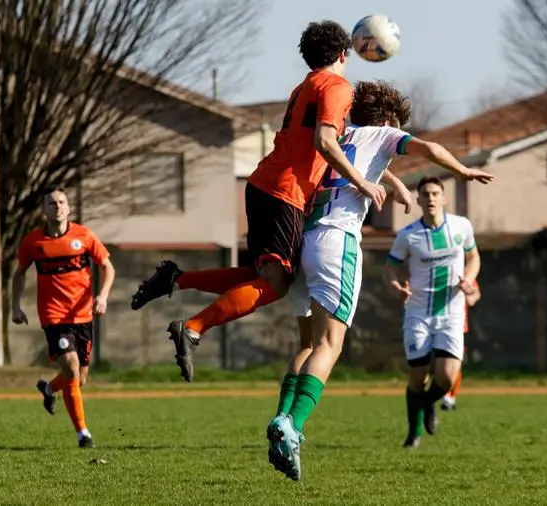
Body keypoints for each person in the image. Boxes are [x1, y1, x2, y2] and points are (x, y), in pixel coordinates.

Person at [127, 20, 389, 383]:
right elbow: (325, 142)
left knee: (259, 277)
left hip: (266, 184)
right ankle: (193, 327)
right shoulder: (337, 86)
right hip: (284, 193)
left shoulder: (305, 86)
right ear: (344, 53)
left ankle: (177, 278)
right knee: (276, 284)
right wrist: (363, 184)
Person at [267, 81, 495, 480]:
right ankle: (293, 426)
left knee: (306, 343)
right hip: (338, 240)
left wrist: (394, 182)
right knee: (330, 345)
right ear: (389, 120)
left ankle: (283, 417)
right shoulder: (387, 135)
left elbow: (364, 161)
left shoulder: (339, 136)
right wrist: (461, 169)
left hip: (302, 241)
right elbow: (430, 150)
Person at [12, 187, 116, 448]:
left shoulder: (85, 235)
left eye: (61, 202)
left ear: (68, 208)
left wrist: (102, 296)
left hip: (83, 315)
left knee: (79, 379)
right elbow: (19, 273)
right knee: (69, 365)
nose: (57, 206)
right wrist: (15, 306)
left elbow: (107, 267)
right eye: (51, 203)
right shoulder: (33, 243)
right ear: (44, 210)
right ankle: (83, 434)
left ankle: (49, 389)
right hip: (54, 316)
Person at [383, 176, 481, 449]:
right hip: (418, 314)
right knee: (418, 375)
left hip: (451, 312)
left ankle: (426, 404)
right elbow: (389, 268)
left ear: (444, 198)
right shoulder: (408, 235)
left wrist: (468, 280)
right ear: (419, 200)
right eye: (425, 194)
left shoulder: (461, 226)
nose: (431, 198)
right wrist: (395, 286)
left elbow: (473, 257)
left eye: (436, 193)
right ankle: (413, 434)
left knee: (447, 377)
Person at [441, 283, 481, 411]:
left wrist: (472, 297)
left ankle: (450, 396)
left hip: (458, 327)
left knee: (455, 363)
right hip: (434, 324)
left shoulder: (465, 271)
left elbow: (475, 293)